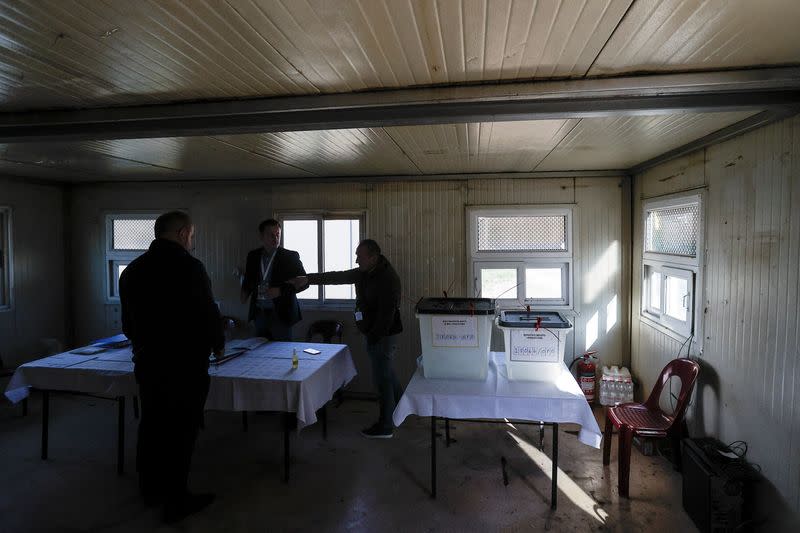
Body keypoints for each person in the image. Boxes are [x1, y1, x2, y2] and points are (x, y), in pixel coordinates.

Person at [119, 211, 223, 524]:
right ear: (181, 234)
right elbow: (207, 312)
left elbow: (127, 324)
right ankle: (177, 500)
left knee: (152, 424)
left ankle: (150, 489)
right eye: (191, 235)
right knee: (181, 430)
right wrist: (217, 343)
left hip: (149, 362)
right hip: (185, 366)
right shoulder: (190, 268)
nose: (192, 240)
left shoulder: (133, 271)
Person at [292, 239, 402, 438]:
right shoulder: (365, 272)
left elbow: (387, 316)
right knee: (387, 373)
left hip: (383, 335)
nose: (356, 259)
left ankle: (386, 426)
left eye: (360, 255)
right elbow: (337, 277)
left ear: (373, 257)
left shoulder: (388, 279)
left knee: (382, 378)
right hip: (374, 332)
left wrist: (373, 338)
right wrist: (308, 279)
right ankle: (401, 409)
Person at [240, 219, 306, 341]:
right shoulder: (253, 256)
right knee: (260, 353)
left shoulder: (290, 257)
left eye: (278, 235)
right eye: (271, 235)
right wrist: (244, 291)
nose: (275, 239)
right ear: (261, 236)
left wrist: (280, 291)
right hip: (259, 313)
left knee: (281, 354)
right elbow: (249, 278)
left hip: (281, 314)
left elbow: (304, 283)